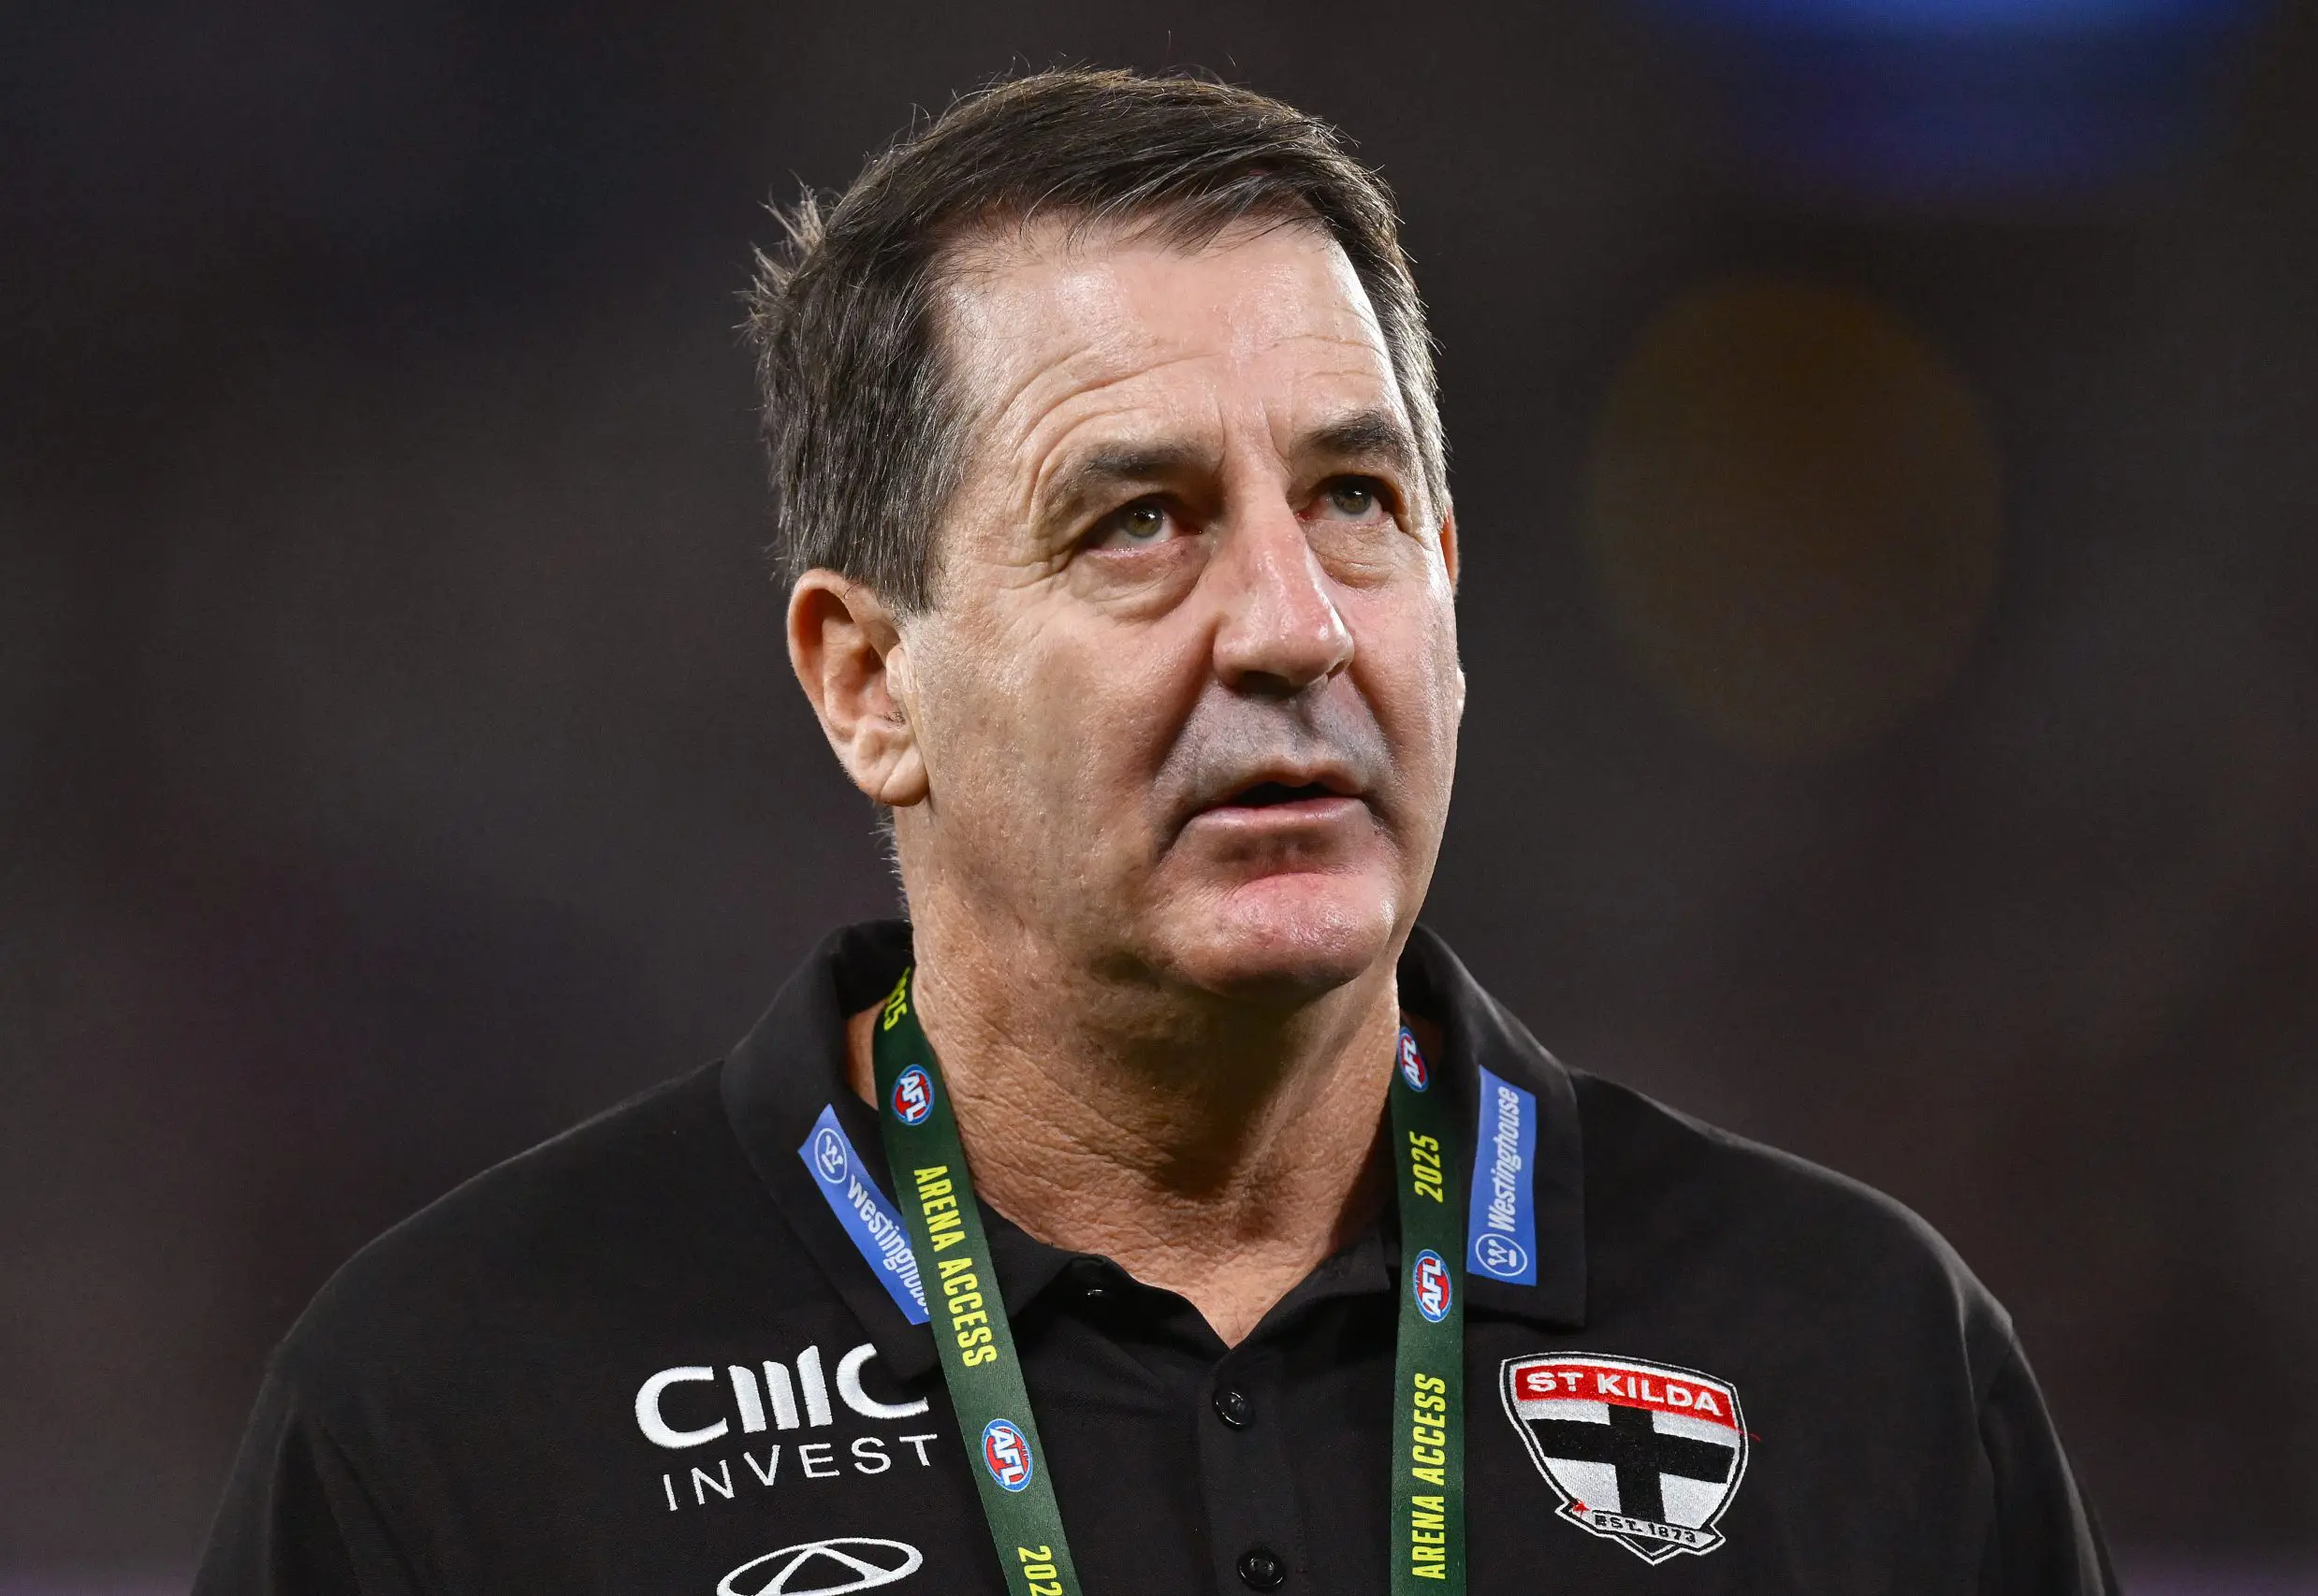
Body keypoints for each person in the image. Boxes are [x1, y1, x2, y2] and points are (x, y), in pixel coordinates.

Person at [196, 69, 2116, 1595]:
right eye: (1137, 521)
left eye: (1354, 499)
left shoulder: (1859, 1365)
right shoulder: (453, 1420)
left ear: (1447, 591)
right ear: (868, 681)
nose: (1290, 623)